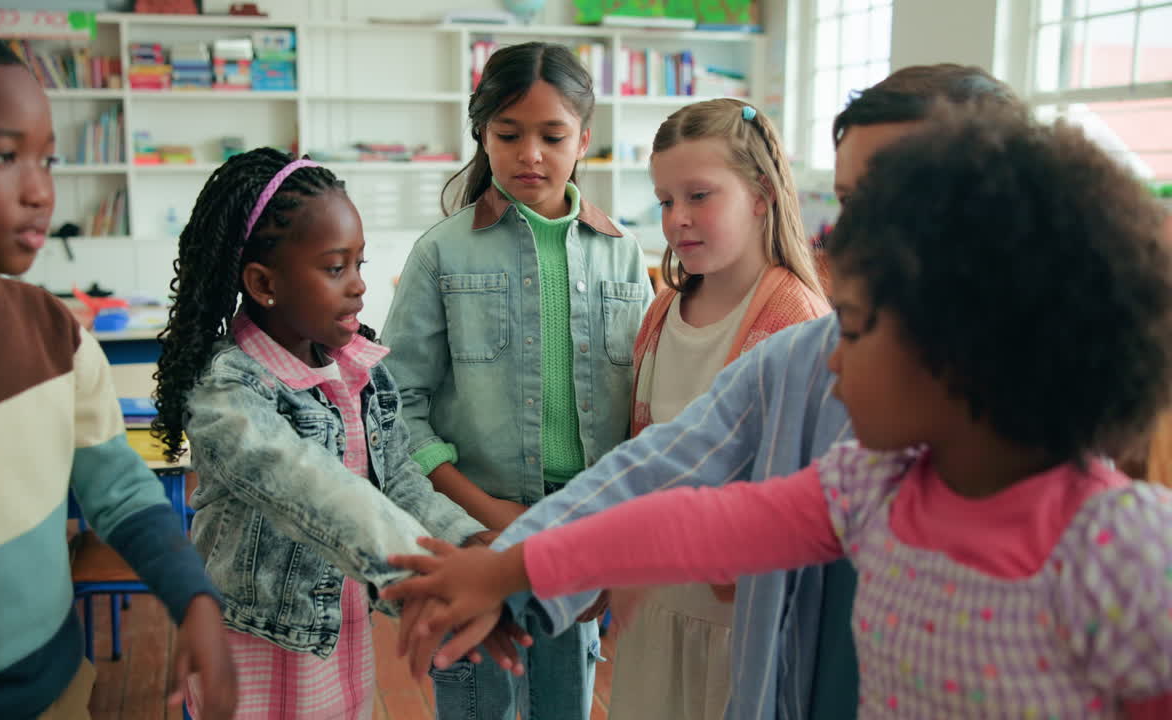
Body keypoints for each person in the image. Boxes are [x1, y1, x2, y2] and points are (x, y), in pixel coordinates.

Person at [387, 104, 1172, 720]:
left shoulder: (1123, 550)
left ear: (959, 347)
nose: (831, 357)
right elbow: (684, 520)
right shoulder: (869, 487)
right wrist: (504, 568)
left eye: (856, 329)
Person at [0, 29, 236, 719]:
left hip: (55, 684)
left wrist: (192, 595)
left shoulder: (55, 333)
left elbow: (119, 490)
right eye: (2, 156)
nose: (39, 191)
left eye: (46, 160)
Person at [150, 148, 495, 718]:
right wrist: (430, 574)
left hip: (335, 636)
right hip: (255, 647)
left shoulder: (361, 369)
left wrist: (467, 541)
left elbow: (399, 483)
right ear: (264, 283)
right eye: (336, 268)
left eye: (360, 264)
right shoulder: (228, 391)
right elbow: (311, 490)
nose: (359, 286)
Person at [380, 41, 652, 719]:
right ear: (482, 134)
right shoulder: (441, 253)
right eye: (509, 134)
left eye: (552, 135)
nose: (530, 154)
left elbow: (642, 410)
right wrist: (488, 518)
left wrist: (605, 538)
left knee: (566, 705)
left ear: (584, 138)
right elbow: (395, 407)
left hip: (580, 536)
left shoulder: (623, 256)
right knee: (479, 702)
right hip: (472, 531)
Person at [613, 98, 828, 720]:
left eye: (699, 196)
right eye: (665, 201)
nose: (677, 219)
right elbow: (643, 453)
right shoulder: (661, 311)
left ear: (761, 194)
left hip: (742, 626)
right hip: (656, 605)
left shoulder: (799, 323)